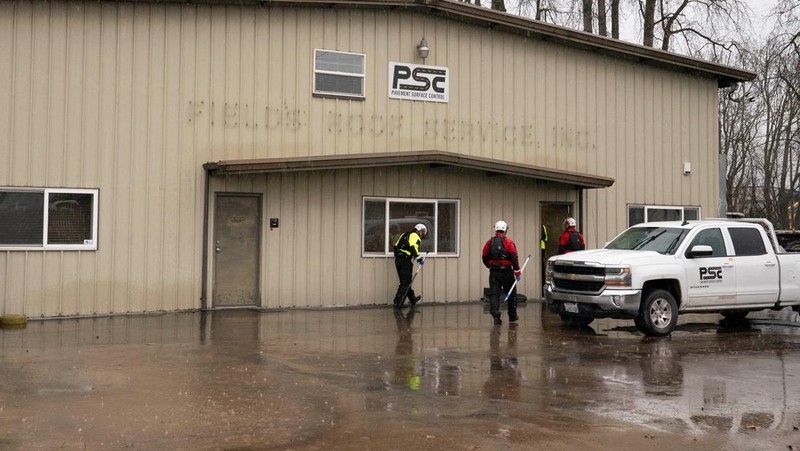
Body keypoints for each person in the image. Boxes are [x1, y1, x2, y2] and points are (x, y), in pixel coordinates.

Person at [481, 220, 521, 325]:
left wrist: (490, 265)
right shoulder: (509, 242)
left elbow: (484, 257)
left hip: (494, 272)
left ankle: (496, 316)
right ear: (505, 230)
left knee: (494, 294)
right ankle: (512, 316)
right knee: (511, 293)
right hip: (507, 272)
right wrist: (517, 271)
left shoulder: (489, 242)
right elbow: (514, 257)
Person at [393, 223, 427, 308]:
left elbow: (396, 246)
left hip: (398, 260)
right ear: (418, 230)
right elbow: (413, 247)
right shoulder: (415, 236)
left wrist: (399, 255)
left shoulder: (404, 235)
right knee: (405, 283)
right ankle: (398, 302)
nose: (422, 235)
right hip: (405, 261)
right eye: (422, 232)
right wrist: (418, 258)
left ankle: (412, 299)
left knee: (406, 281)